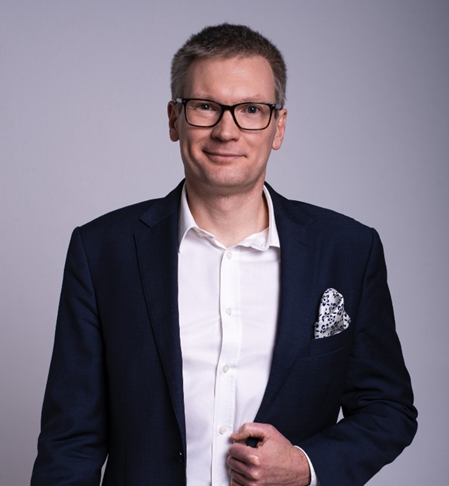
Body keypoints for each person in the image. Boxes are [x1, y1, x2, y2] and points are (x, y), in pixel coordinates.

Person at [31, 24, 417, 486]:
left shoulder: (348, 250)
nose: (226, 131)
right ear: (174, 119)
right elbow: (69, 442)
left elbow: (387, 408)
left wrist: (304, 465)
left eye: (251, 109)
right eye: (205, 107)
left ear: (278, 127)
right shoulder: (101, 251)